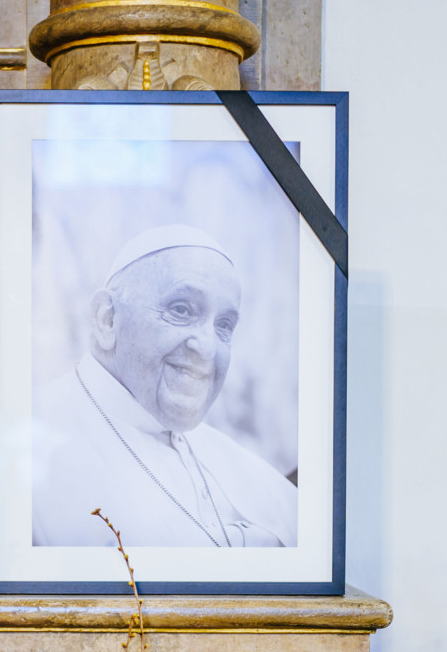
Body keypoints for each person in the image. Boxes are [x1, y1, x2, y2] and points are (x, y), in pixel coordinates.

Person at [32, 225, 298, 548]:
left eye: (224, 325)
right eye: (181, 310)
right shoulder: (33, 440)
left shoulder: (237, 462)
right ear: (107, 319)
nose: (207, 348)